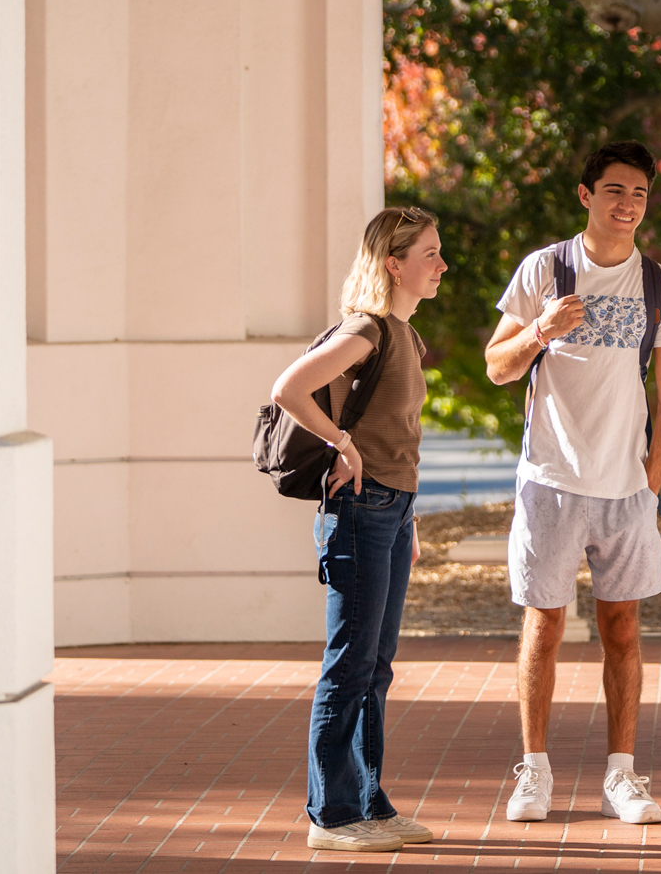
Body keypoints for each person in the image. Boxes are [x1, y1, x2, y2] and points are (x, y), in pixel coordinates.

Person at [483, 140, 661, 825]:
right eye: (614, 190)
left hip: (625, 490)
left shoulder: (659, 285)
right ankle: (534, 771)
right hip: (549, 480)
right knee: (544, 624)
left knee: (624, 630)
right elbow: (497, 366)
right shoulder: (545, 269)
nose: (627, 204)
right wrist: (540, 331)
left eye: (638, 194)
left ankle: (622, 775)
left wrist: (651, 480)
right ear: (585, 194)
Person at [270, 206, 448, 854]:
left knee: (375, 667)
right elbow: (290, 387)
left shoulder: (405, 336)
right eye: (429, 253)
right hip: (360, 513)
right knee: (348, 665)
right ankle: (332, 813)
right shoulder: (367, 330)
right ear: (392, 262)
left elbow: (397, 436)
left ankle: (369, 801)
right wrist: (340, 442)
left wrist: (410, 516)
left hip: (392, 512)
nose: (441, 264)